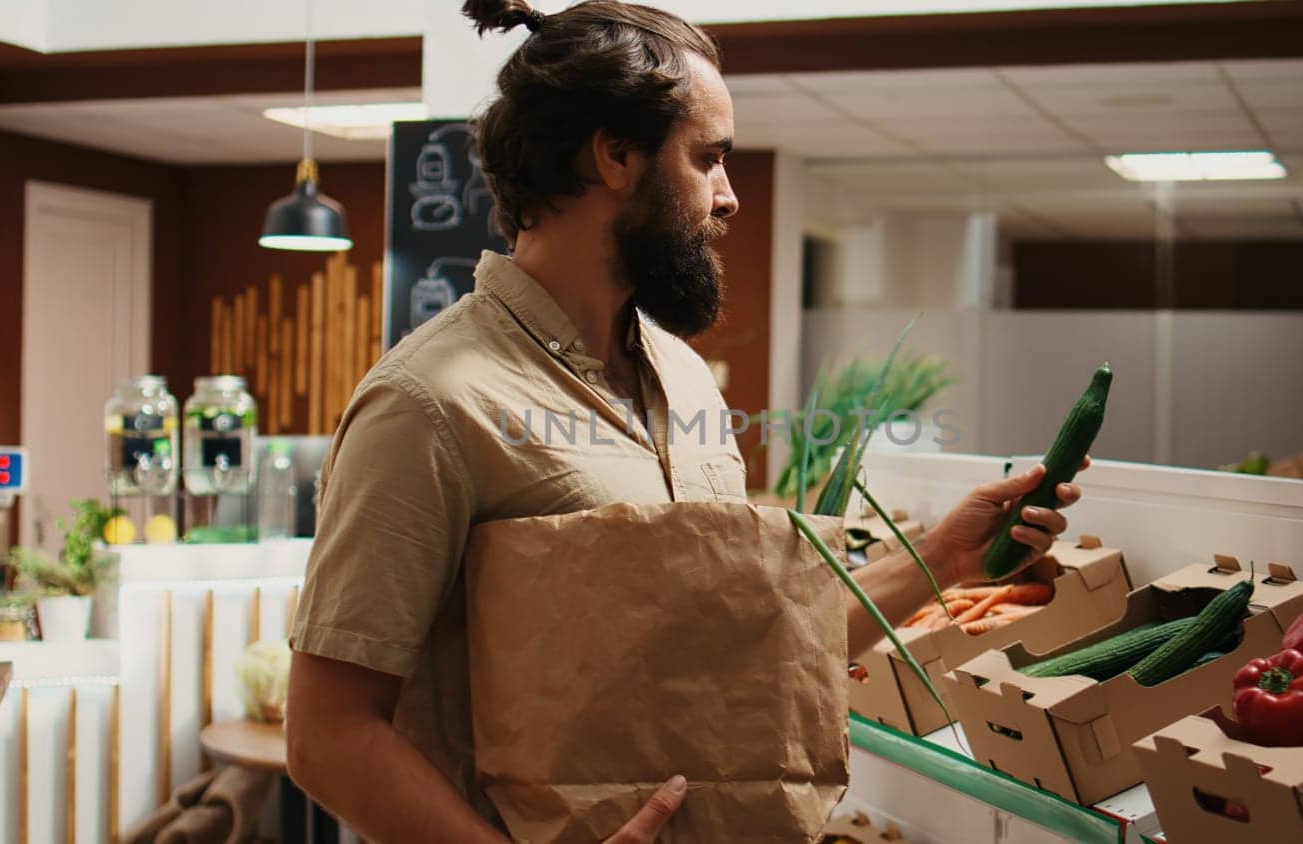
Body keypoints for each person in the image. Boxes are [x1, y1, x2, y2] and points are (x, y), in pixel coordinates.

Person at [284, 1, 1084, 841]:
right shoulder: (426, 405)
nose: (730, 198)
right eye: (709, 159)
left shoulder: (689, 383)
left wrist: (942, 558)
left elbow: (743, 644)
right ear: (615, 154)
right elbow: (328, 734)